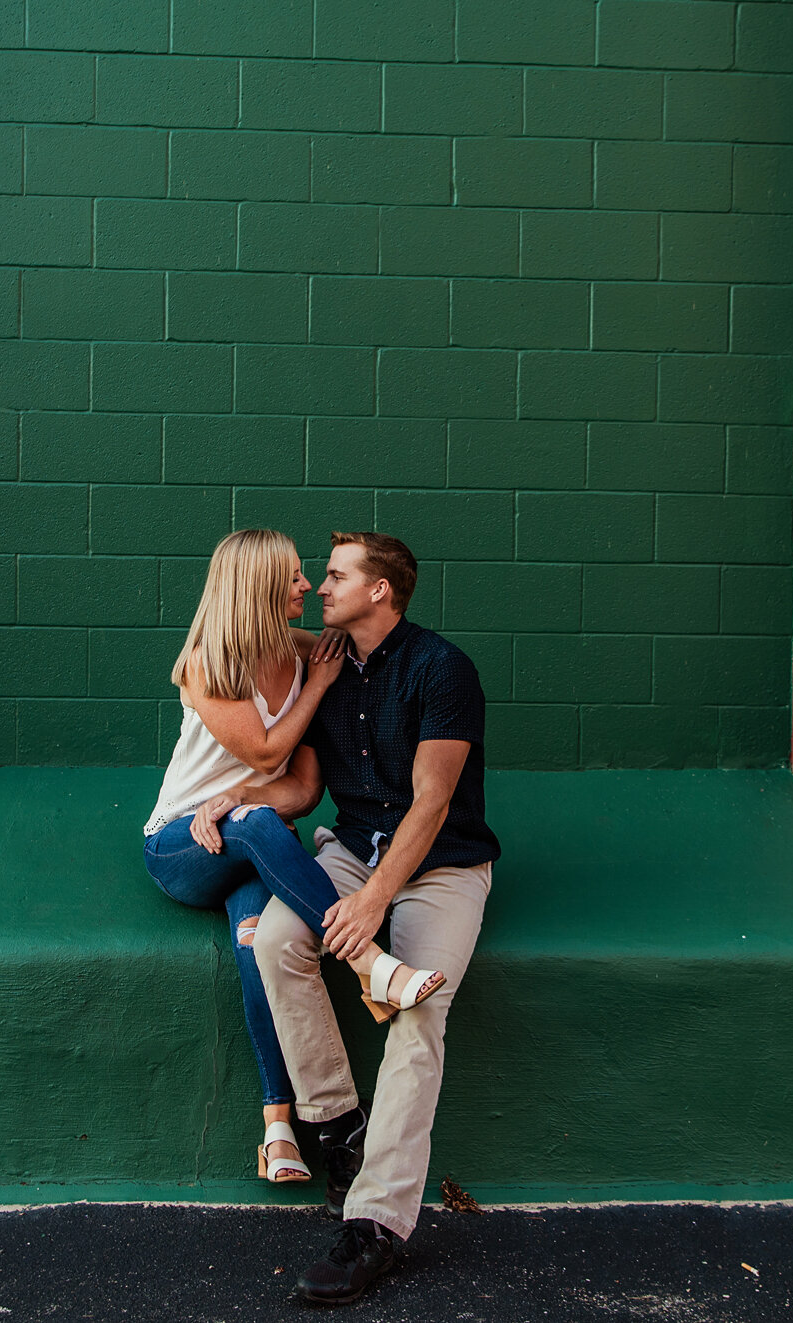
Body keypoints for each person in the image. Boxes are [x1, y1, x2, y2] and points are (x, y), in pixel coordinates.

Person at [190, 531, 498, 1306]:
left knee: (418, 1012)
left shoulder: (442, 669)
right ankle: (338, 1126)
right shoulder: (323, 663)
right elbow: (301, 788)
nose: (321, 588)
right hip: (352, 849)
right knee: (276, 942)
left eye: (335, 577)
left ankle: (375, 1225)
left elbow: (432, 802)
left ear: (381, 591)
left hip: (442, 865)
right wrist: (242, 799)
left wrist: (372, 898)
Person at [142, 528, 451, 1190]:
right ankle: (369, 962)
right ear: (256, 586)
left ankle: (279, 1126)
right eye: (293, 577)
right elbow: (263, 748)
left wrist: (243, 796)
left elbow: (303, 789)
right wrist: (316, 689)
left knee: (258, 942)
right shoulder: (206, 660)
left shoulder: (311, 653)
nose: (308, 586)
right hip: (181, 845)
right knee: (256, 820)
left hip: (257, 844)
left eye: (313, 574)